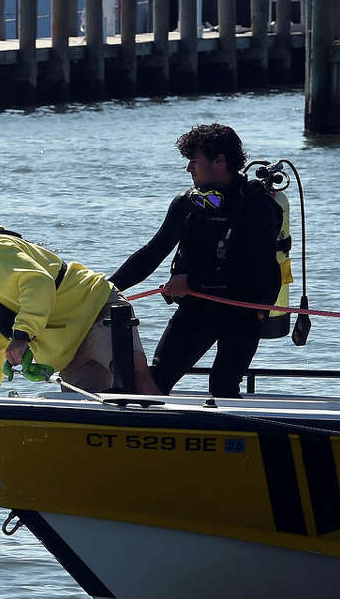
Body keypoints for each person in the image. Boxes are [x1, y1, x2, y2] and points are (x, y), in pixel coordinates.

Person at [109, 123, 283, 398]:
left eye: (194, 160)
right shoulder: (187, 204)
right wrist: (106, 288)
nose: (188, 168)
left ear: (219, 161)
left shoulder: (257, 206)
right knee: (153, 382)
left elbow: (255, 273)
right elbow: (152, 253)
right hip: (197, 307)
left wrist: (191, 281)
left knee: (223, 387)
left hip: (243, 309)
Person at [0, 213, 157, 397]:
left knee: (138, 386)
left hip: (98, 311)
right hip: (71, 347)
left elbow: (38, 282)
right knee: (90, 416)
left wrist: (22, 336)